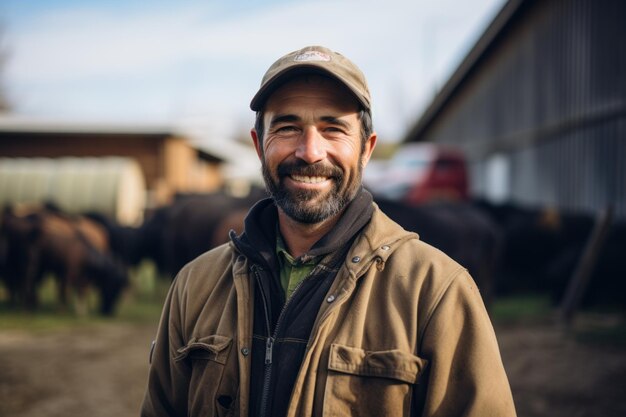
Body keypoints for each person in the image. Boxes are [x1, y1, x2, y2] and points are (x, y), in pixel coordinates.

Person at [141, 45, 516, 417]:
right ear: (259, 147)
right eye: (288, 127)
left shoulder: (435, 292)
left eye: (333, 128)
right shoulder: (195, 286)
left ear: (366, 150)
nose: (310, 151)